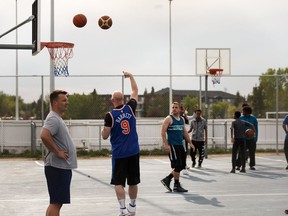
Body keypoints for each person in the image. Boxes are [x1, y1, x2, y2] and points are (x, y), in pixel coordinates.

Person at [101, 71, 140, 216]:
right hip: (133, 151)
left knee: (118, 183)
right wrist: (131, 76)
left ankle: (123, 210)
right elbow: (135, 90)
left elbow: (105, 136)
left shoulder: (110, 116)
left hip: (119, 154)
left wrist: (103, 130)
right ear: (123, 99)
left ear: (112, 100)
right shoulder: (130, 108)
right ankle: (133, 207)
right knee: (133, 181)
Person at [40, 90, 78, 216]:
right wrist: (57, 152)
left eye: (67, 100)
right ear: (55, 103)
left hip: (61, 167)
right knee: (56, 202)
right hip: (57, 167)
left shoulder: (57, 118)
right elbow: (44, 135)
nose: (67, 102)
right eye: (64, 100)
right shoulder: (53, 119)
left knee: (56, 202)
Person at [160, 102, 195, 193]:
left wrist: (190, 143)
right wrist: (166, 144)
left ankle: (171, 182)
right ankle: (173, 182)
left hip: (180, 145)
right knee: (177, 165)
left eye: (176, 107)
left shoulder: (182, 119)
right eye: (173, 107)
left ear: (180, 109)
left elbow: (185, 132)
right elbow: (163, 132)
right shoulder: (168, 119)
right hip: (172, 145)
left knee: (182, 165)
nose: (174, 109)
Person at [240, 106, 258, 170]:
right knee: (241, 152)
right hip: (243, 139)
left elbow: (256, 128)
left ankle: (252, 165)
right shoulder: (241, 118)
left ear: (247, 112)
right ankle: (238, 165)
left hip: (251, 139)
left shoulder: (254, 119)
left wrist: (255, 137)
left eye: (243, 111)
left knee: (252, 153)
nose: (242, 112)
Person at [180, 105, 190, 175]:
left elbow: (187, 122)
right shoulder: (173, 117)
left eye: (182, 109)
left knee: (184, 151)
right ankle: (180, 166)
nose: (182, 110)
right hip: (177, 138)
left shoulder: (183, 117)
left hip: (183, 138)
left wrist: (185, 114)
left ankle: (184, 165)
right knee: (179, 153)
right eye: (181, 109)